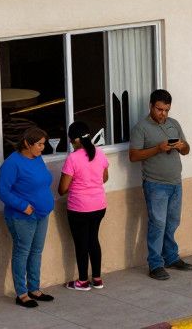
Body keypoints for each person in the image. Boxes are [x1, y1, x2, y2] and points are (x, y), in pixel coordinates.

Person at [130, 89, 192, 281]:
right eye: (159, 109)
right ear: (151, 106)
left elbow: (187, 150)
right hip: (155, 184)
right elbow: (133, 156)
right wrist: (158, 148)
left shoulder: (174, 124)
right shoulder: (141, 128)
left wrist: (182, 146)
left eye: (166, 110)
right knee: (157, 224)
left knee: (172, 222)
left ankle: (171, 257)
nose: (163, 113)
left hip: (176, 182)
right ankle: (155, 264)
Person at [0, 127, 55, 307]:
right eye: (39, 144)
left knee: (36, 251)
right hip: (22, 217)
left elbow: (41, 182)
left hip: (42, 214)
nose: (42, 148)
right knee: (22, 252)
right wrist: (23, 206)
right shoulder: (12, 163)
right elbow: (2, 191)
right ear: (27, 144)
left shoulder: (37, 158)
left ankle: (34, 289)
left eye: (43, 144)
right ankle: (21, 293)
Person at [59, 122, 109, 291]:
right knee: (93, 239)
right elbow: (104, 178)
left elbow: (62, 189)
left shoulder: (72, 158)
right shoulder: (100, 153)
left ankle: (82, 281)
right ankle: (97, 278)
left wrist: (77, 184)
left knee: (81, 243)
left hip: (79, 208)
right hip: (99, 205)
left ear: (74, 140)